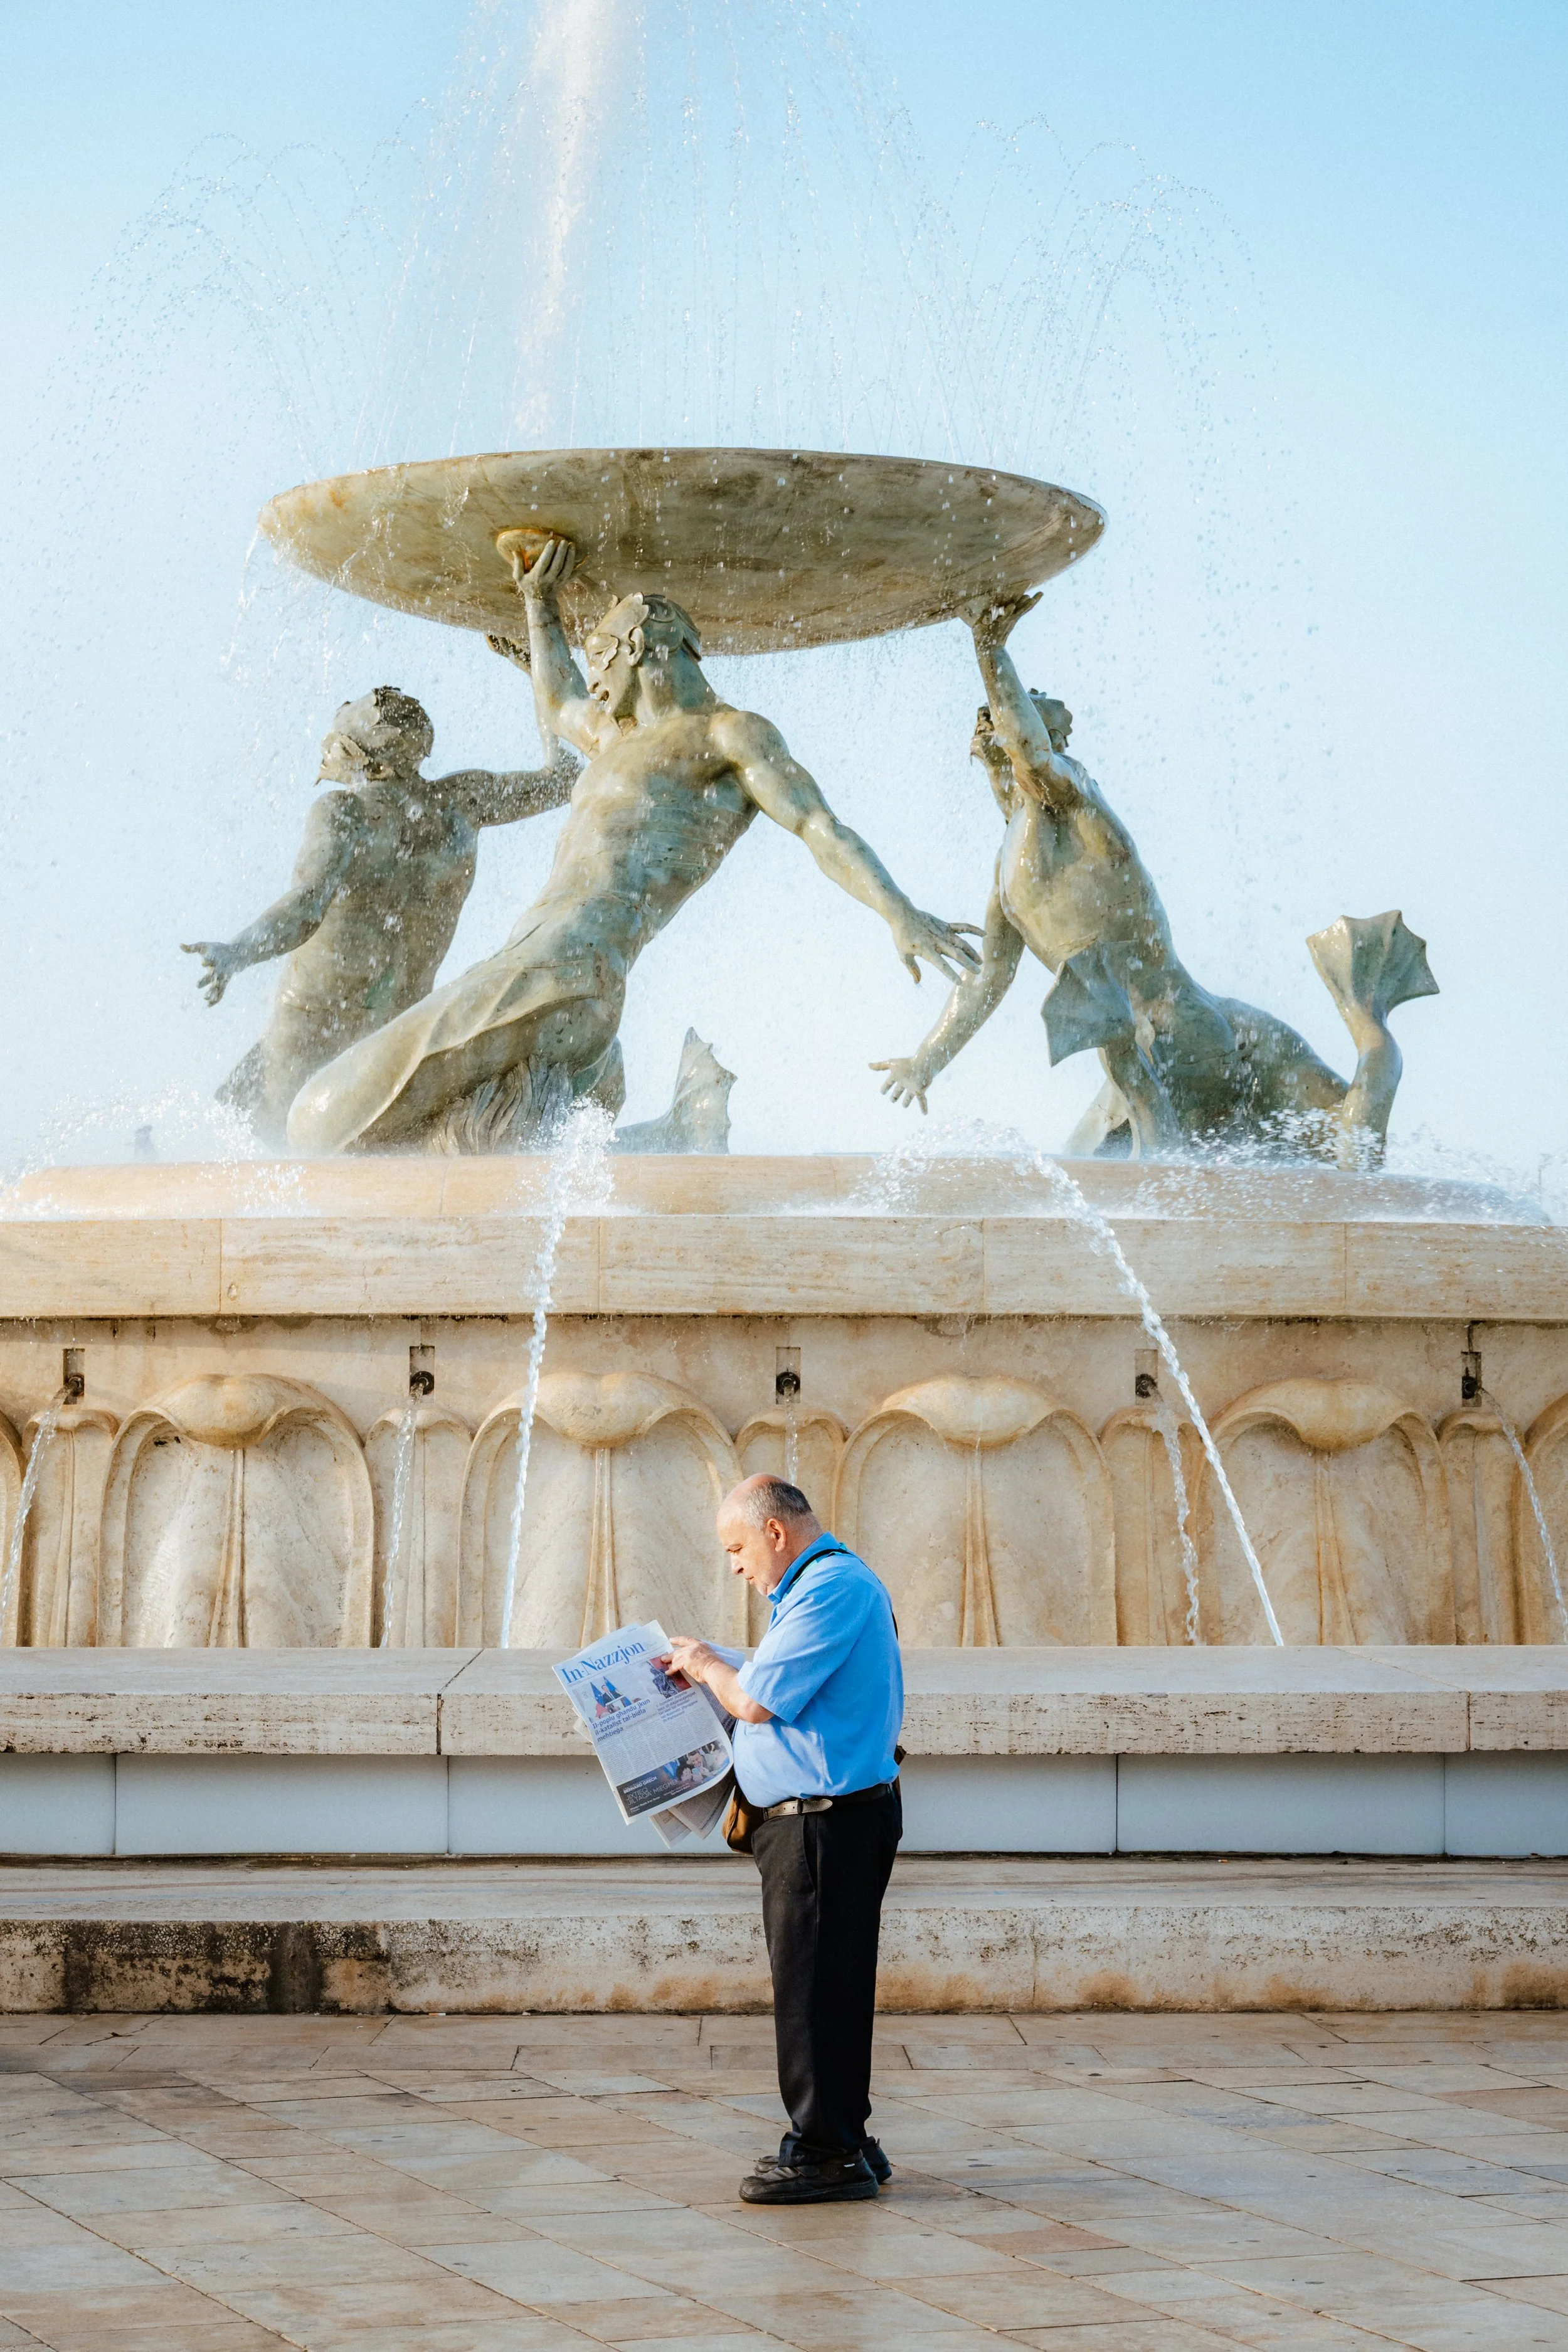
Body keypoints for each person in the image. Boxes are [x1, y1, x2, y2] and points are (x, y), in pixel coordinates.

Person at [285, 537, 981, 1153]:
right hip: (557, 978)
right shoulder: (616, 740)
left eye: (597, 657)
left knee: (315, 1124)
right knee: (468, 1144)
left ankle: (670, 1138)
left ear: (642, 647)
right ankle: (672, 1139)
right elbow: (557, 700)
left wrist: (898, 912)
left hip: (558, 970)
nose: (590, 679)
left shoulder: (727, 735)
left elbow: (819, 828)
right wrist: (538, 602)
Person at [872, 597, 1436, 1165]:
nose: (1023, 704)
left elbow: (1033, 754)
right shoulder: (1006, 879)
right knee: (1086, 1185)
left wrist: (990, 648)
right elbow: (988, 978)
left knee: (1355, 1155)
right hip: (1140, 1051)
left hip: (1203, 1036)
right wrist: (925, 1062)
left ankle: (1367, 1016)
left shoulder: (1075, 797)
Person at [183, 686, 578, 1142]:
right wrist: (542, 673)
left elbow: (307, 905)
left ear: (359, 758)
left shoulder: (343, 812)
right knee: (384, 1158)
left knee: (267, 1156)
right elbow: (564, 778)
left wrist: (237, 952)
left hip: (313, 1026)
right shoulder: (464, 803)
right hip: (398, 1035)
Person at [663, 1473, 903, 2206]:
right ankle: (847, 2138)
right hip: (819, 1824)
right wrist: (710, 1659)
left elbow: (757, 1702)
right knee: (827, 1987)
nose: (735, 1566)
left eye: (736, 1548)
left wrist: (707, 1664)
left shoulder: (832, 1588)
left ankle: (825, 2153)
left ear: (774, 1531)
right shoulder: (811, 1591)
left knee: (813, 1994)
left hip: (823, 1825)